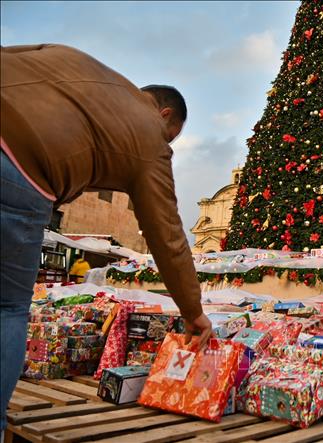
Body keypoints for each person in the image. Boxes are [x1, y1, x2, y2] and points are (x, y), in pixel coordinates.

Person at [1, 44, 212, 430]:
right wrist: (193, 312)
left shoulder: (71, 58)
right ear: (164, 115)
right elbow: (166, 234)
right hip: (19, 170)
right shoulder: (149, 136)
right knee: (7, 308)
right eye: (171, 137)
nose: (167, 147)